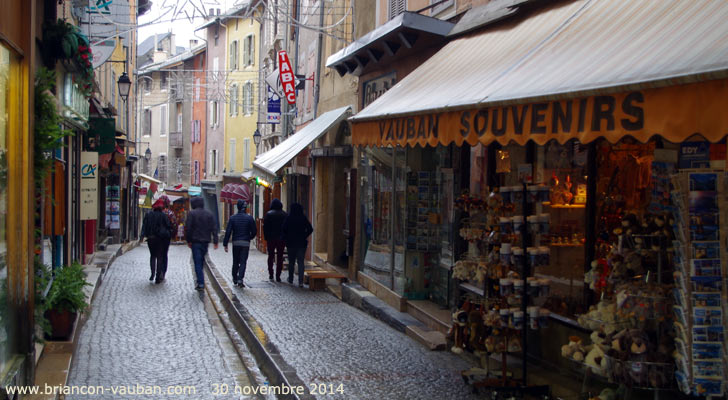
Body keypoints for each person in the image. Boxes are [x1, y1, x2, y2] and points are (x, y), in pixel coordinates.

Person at [185, 196, 219, 291]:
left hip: (195, 241)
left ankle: (200, 283)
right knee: (202, 260)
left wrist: (188, 240)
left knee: (197, 262)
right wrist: (215, 241)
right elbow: (214, 228)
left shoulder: (192, 214)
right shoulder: (209, 214)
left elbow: (188, 228)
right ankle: (201, 280)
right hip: (205, 241)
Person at [223, 199, 257, 287]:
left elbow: (228, 231)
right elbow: (254, 231)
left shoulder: (232, 218)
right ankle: (240, 279)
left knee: (235, 261)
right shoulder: (249, 218)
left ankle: (234, 277)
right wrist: (249, 237)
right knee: (243, 262)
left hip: (236, 242)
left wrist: (225, 243)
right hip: (245, 243)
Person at [140, 197, 173, 284]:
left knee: (152, 256)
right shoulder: (163, 216)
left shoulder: (148, 215)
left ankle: (152, 274)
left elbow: (144, 226)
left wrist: (142, 236)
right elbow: (169, 226)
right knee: (159, 257)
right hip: (160, 239)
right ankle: (158, 276)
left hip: (151, 238)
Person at [281, 202, 313, 287]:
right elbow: (310, 229)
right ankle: (300, 281)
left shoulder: (289, 218)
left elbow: (284, 229)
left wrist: (287, 237)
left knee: (291, 262)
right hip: (301, 243)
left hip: (291, 243)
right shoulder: (303, 218)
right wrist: (304, 236)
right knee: (300, 262)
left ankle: (291, 279)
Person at [263, 198, 287, 282]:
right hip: (281, 239)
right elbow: (286, 228)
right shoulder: (284, 214)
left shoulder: (269, 214)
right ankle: (278, 275)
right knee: (280, 257)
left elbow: (265, 227)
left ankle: (271, 274)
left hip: (271, 239)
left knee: (271, 256)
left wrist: (266, 237)